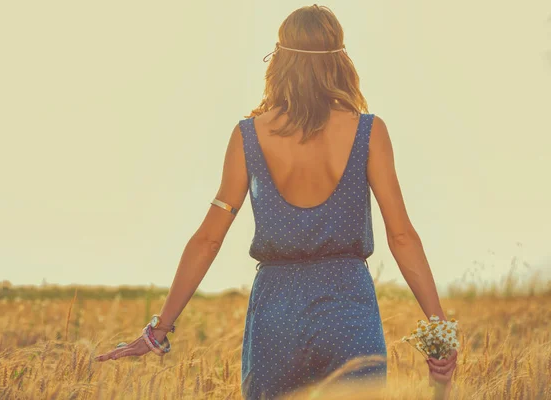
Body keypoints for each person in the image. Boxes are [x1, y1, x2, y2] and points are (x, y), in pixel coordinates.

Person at [94, 4, 458, 399]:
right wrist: (439, 331)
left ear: (278, 60)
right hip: (348, 312)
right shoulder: (369, 132)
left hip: (276, 317)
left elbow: (208, 241)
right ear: (341, 61)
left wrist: (158, 330)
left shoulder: (248, 136)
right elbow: (401, 236)